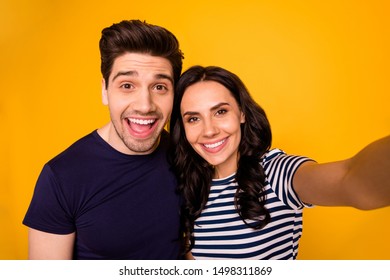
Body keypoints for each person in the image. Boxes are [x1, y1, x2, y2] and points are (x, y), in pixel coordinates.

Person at [169, 65, 390, 260]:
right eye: (194, 118)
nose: (209, 130)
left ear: (242, 113)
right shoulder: (191, 185)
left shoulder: (275, 172)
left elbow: (351, 181)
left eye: (220, 111)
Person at [23, 20, 184, 259]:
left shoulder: (189, 156)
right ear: (105, 91)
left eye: (159, 87)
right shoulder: (61, 177)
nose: (145, 105)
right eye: (127, 85)